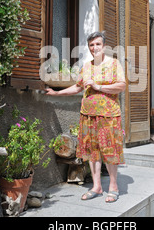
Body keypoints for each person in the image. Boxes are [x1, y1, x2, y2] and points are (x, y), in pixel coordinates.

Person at [45, 31, 126, 203]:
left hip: (109, 115)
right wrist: (56, 93)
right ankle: (96, 186)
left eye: (97, 44)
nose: (94, 47)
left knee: (110, 150)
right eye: (91, 45)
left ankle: (113, 186)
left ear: (104, 46)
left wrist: (98, 86)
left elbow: (121, 86)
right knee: (92, 151)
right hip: (88, 115)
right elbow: (77, 87)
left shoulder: (113, 64)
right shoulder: (87, 66)